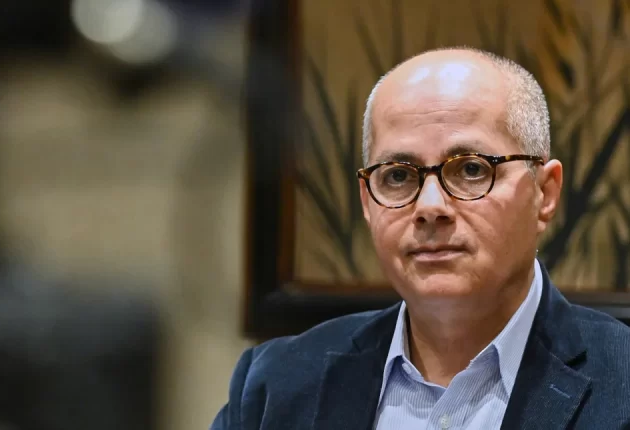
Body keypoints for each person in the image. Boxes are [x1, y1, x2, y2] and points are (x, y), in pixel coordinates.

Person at [211, 47, 630, 429]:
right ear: (367, 201)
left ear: (545, 193)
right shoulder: (275, 387)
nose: (430, 207)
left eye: (471, 169)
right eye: (398, 176)